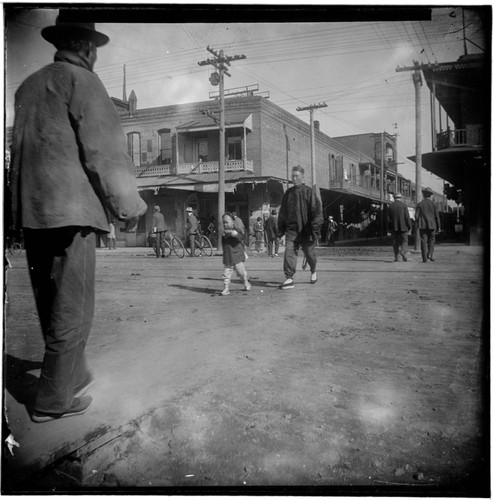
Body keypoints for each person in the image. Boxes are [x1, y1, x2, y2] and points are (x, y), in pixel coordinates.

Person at [9, 15, 147, 422]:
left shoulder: (27, 86)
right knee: (74, 308)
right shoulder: (83, 81)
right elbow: (104, 152)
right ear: (87, 48)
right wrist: (129, 209)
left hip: (33, 214)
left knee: (51, 304)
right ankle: (53, 401)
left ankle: (74, 374)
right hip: (73, 213)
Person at [277, 165, 323, 289]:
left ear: (303, 177)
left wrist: (314, 230)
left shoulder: (309, 192)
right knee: (289, 253)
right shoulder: (288, 193)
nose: (294, 178)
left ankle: (313, 270)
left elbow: (317, 212)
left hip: (306, 230)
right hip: (292, 230)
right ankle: (289, 278)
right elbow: (283, 213)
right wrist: (280, 231)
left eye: (296, 176)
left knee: (309, 254)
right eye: (293, 176)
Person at [221, 213, 251, 296]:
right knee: (226, 273)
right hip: (228, 256)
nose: (225, 224)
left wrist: (236, 234)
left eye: (227, 222)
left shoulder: (237, 230)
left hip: (237, 256)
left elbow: (242, 237)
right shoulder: (224, 234)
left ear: (233, 222)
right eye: (223, 222)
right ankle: (226, 288)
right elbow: (223, 244)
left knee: (241, 272)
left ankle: (245, 282)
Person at [415, 187, 441, 262]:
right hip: (432, 225)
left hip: (422, 225)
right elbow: (437, 216)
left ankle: (424, 258)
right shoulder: (433, 204)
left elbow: (416, 216)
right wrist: (439, 226)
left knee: (423, 241)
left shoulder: (420, 204)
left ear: (423, 195)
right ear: (430, 195)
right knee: (432, 240)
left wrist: (417, 224)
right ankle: (430, 254)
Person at [387, 193, 412, 262]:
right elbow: (407, 217)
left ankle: (397, 257)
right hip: (403, 227)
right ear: (400, 198)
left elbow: (388, 219)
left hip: (394, 227)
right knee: (405, 240)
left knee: (395, 242)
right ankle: (402, 251)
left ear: (394, 198)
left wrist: (388, 228)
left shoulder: (390, 206)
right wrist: (410, 226)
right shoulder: (404, 206)